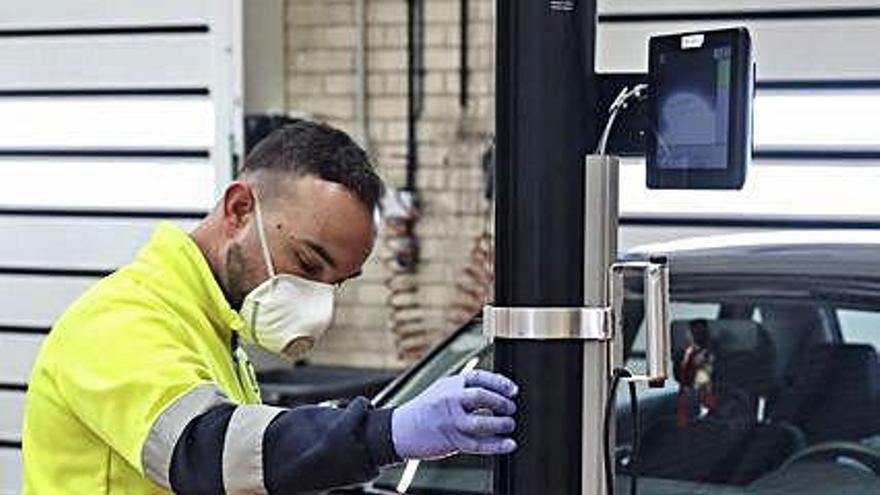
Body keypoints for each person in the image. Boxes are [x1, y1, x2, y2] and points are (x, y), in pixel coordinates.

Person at [22, 121, 518, 494]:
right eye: (308, 261)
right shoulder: (119, 322)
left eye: (336, 283)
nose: (318, 301)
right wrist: (387, 432)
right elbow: (205, 451)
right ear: (239, 209)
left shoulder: (216, 334)